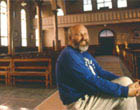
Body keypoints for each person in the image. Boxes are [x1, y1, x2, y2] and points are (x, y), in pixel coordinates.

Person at [55, 24, 140, 110]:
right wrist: (124, 91)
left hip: (89, 95)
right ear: (70, 38)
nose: (84, 37)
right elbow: (91, 81)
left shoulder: (84, 53)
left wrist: (128, 82)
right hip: (79, 103)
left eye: (85, 34)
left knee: (125, 81)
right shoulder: (69, 55)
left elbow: (101, 73)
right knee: (125, 92)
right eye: (79, 34)